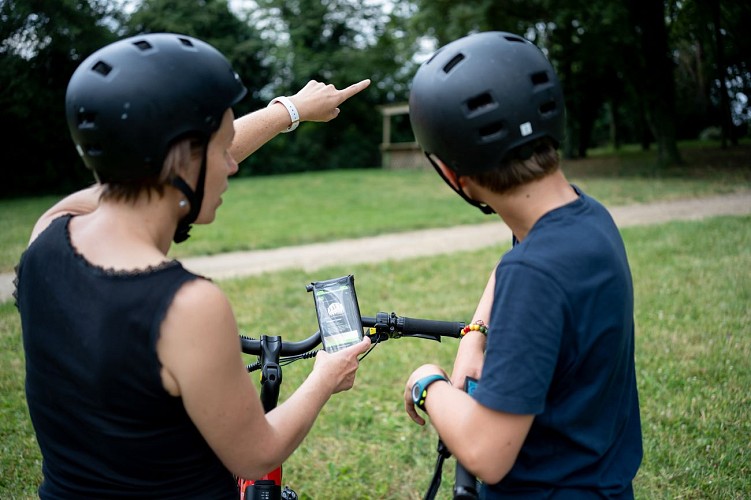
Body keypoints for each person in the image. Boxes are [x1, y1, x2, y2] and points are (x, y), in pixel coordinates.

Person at [14, 32, 371, 498]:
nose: (233, 165)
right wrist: (324, 378)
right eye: (223, 149)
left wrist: (292, 110)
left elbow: (137, 176)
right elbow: (256, 453)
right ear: (178, 160)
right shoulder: (187, 305)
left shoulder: (48, 234)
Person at [402, 31, 642, 497]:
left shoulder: (534, 276)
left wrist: (426, 383)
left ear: (455, 175)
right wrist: (475, 333)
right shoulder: (585, 218)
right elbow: (522, 246)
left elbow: (487, 453)